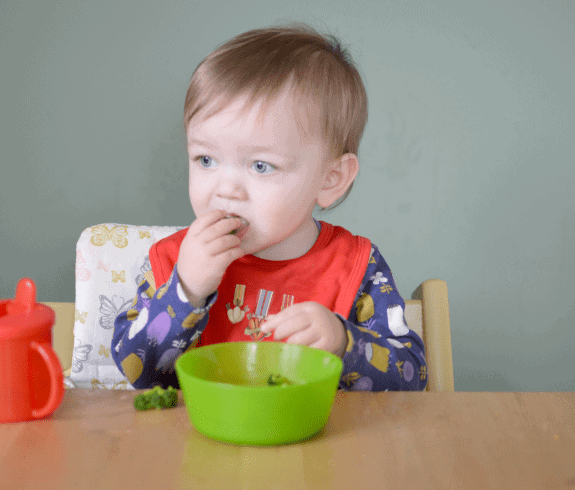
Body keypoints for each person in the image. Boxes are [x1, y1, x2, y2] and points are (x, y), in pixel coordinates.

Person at [112, 24, 427, 391]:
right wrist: (186, 291)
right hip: (202, 444)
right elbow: (138, 371)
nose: (225, 189)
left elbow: (413, 377)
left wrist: (345, 343)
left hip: (324, 445)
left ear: (331, 179)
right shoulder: (174, 262)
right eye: (205, 159)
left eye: (261, 165)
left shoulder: (356, 266)